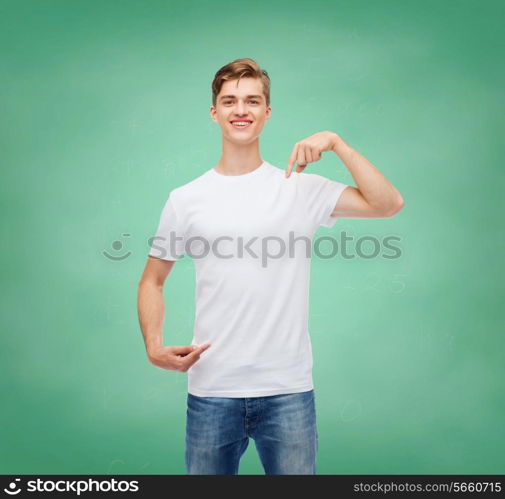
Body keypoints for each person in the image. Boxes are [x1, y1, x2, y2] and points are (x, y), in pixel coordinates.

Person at [137, 58, 404, 475]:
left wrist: (337, 143)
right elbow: (153, 281)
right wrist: (154, 347)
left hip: (288, 392)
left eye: (252, 100)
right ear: (214, 112)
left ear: (267, 112)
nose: (240, 109)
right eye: (229, 101)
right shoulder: (185, 199)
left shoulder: (300, 188)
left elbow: (388, 204)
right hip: (212, 389)